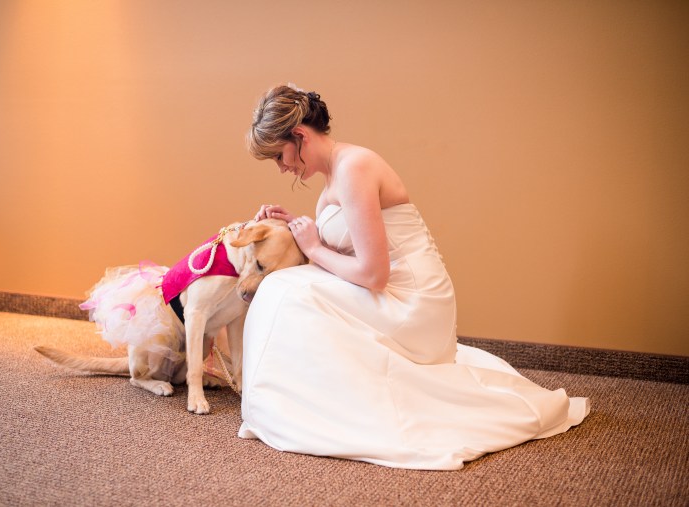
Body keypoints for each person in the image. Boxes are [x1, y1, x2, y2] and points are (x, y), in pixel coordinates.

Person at [237, 83, 589, 470]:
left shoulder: (356, 167)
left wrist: (315, 248)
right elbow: (340, 257)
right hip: (389, 292)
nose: (282, 167)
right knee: (285, 289)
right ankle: (302, 404)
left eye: (279, 156)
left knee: (286, 292)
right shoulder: (334, 179)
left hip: (413, 302)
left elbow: (373, 275)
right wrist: (292, 229)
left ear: (300, 135)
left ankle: (301, 407)